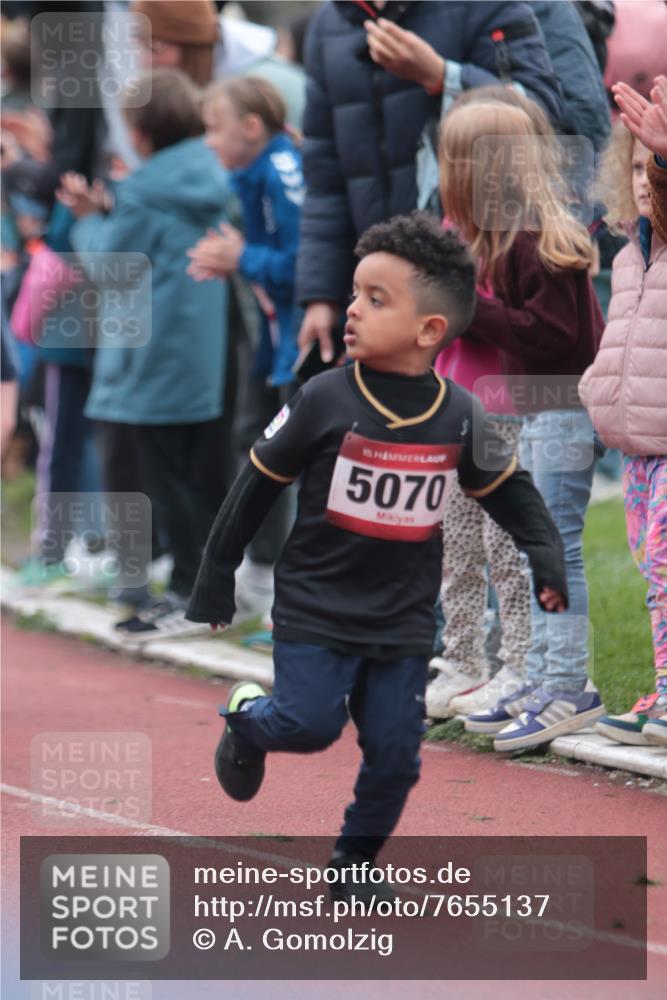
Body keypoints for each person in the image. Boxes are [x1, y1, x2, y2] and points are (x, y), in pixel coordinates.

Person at [186, 212, 568, 890]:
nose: (353, 310)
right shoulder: (322, 398)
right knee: (307, 726)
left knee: (395, 753)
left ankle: (353, 865)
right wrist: (216, 573)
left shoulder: (459, 414)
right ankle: (247, 720)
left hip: (401, 618)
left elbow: (511, 492)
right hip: (316, 605)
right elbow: (254, 486)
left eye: (376, 299)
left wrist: (545, 555)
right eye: (354, 293)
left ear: (429, 330)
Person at [438, 100, 606, 750]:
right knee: (540, 544)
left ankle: (566, 684)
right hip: (540, 409)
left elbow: (554, 334)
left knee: (555, 545)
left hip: (562, 408)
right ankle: (538, 677)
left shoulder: (537, 237)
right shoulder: (508, 236)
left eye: (454, 161)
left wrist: (472, 309)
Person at [58, 69, 234, 639]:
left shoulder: (143, 190)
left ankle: (184, 594)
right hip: (198, 349)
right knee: (196, 474)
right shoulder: (210, 173)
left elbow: (111, 266)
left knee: (162, 478)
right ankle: (198, 587)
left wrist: (88, 219)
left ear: (139, 132)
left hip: (147, 354)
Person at [295, 0, 565, 366]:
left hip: (478, 278)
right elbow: (325, 177)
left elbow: (542, 114)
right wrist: (322, 294)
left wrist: (442, 76)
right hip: (377, 290)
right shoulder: (329, 23)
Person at [188, 75, 304, 631]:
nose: (209, 141)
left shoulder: (283, 173)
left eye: (216, 128)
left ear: (252, 127)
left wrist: (243, 259)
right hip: (273, 340)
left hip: (303, 342)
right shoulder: (250, 175)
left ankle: (296, 595)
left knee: (296, 457)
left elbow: (306, 265)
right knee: (255, 443)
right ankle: (259, 573)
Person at [578, 95, 667, 748]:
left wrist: (664, 159)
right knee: (651, 571)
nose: (642, 179)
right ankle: (662, 685)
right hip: (636, 447)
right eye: (635, 165)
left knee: (666, 565)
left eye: (653, 167)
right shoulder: (631, 253)